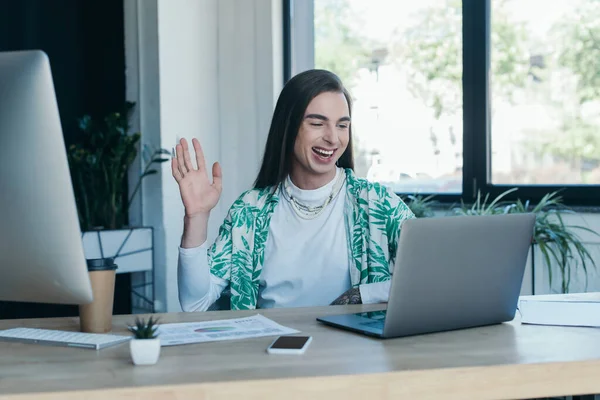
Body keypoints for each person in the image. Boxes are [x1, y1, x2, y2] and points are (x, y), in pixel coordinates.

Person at [173, 69, 415, 312]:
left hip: (354, 349)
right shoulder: (250, 211)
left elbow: (433, 277)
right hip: (271, 346)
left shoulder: (377, 204)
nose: (333, 138)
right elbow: (195, 302)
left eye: (342, 126)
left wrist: (362, 294)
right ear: (288, 127)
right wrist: (196, 217)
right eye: (318, 124)